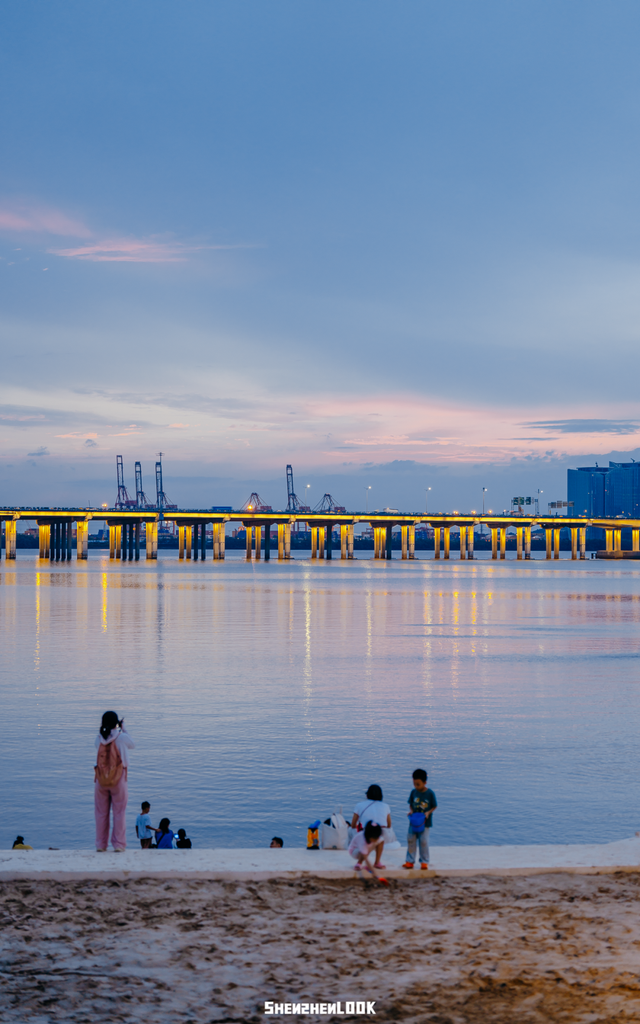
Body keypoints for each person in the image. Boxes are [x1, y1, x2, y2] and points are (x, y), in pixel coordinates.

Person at [94, 710, 135, 853]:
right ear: (116, 723)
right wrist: (123, 728)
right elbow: (133, 744)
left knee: (100, 813)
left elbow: (97, 748)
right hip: (118, 778)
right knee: (119, 812)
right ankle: (118, 845)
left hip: (101, 780)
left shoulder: (99, 738)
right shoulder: (122, 737)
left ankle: (101, 845)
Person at [403, 768, 437, 870]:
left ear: (425, 782)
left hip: (425, 822)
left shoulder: (430, 793)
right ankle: (410, 861)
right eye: (414, 784)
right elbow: (411, 804)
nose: (416, 786)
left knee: (424, 841)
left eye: (418, 784)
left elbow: (434, 806)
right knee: (411, 839)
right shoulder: (413, 792)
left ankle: (424, 862)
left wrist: (428, 813)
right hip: (413, 822)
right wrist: (411, 811)